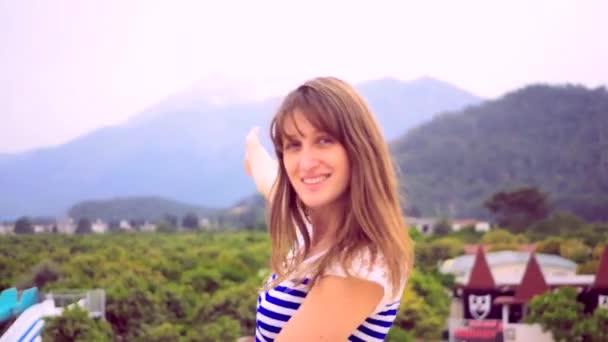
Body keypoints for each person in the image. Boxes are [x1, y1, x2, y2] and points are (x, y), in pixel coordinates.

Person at [243, 76, 414, 341]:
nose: (306, 163)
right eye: (293, 145)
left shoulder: (362, 263)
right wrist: (254, 154)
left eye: (324, 140)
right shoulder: (314, 224)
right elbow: (272, 183)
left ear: (359, 148)